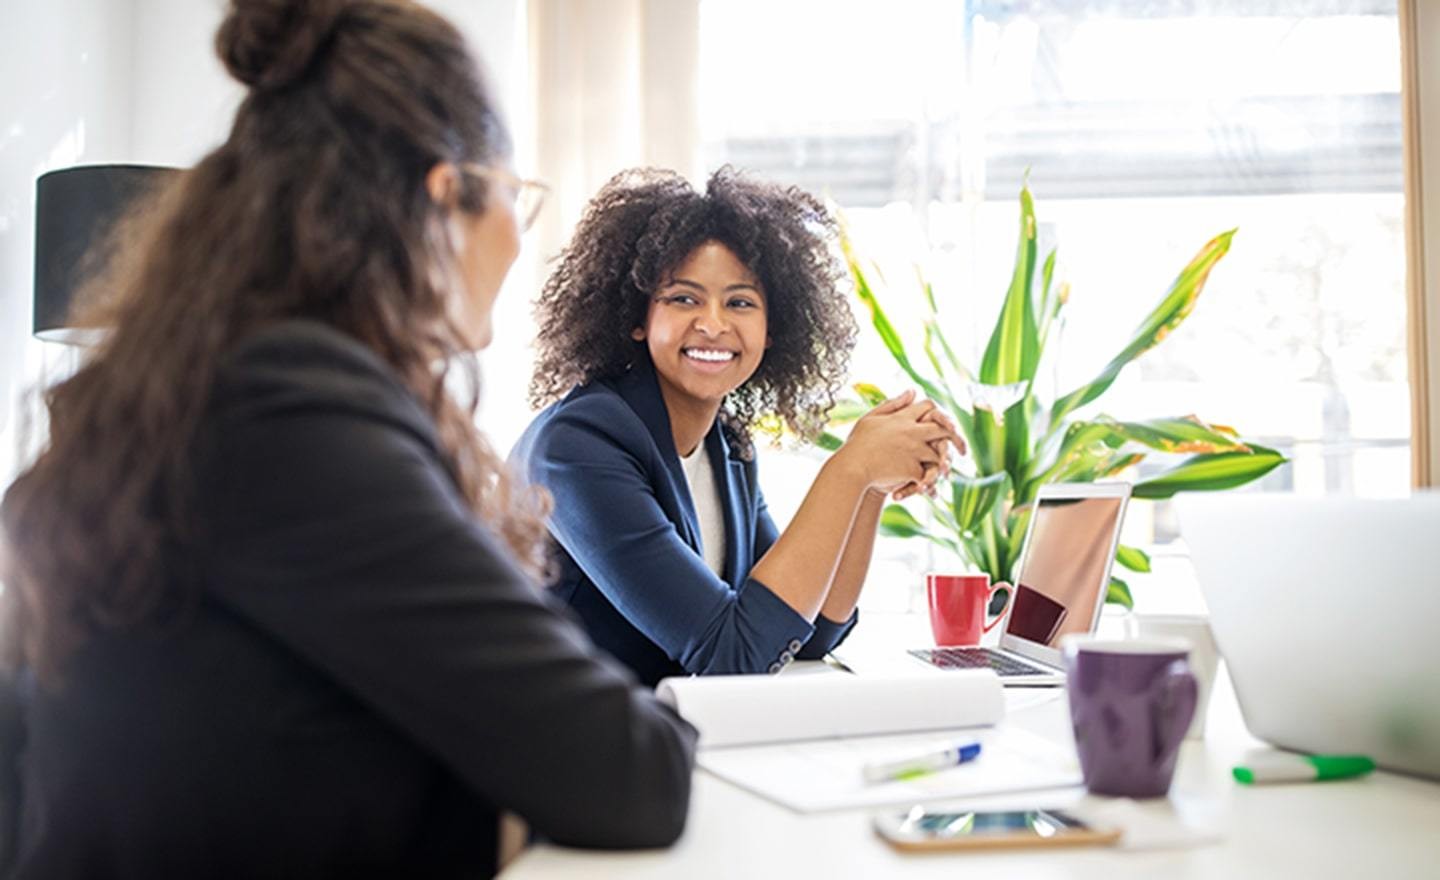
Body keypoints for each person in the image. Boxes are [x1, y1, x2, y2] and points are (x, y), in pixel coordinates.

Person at [0, 1, 696, 877]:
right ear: (448, 197)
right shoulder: (291, 415)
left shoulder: (216, 384)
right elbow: (629, 769)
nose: (520, 235)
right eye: (514, 197)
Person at [513, 168, 965, 687]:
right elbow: (732, 655)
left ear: (773, 329)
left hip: (654, 733)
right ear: (637, 318)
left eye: (740, 302)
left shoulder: (725, 444)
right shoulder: (578, 445)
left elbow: (808, 630)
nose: (713, 324)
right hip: (553, 750)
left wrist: (870, 487)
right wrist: (850, 466)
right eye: (684, 298)